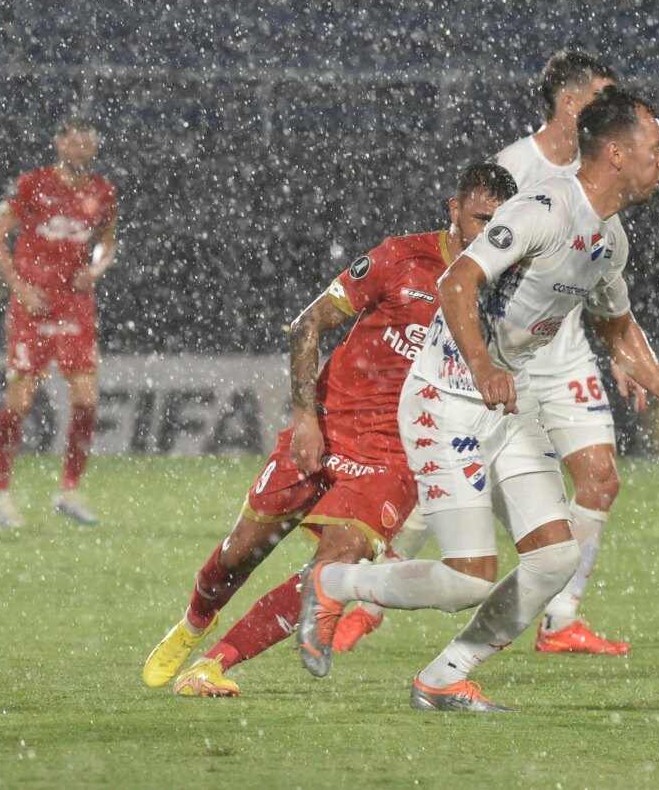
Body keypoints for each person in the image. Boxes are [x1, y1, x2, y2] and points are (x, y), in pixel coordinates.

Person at [297, 87, 659, 711]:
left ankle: (442, 678)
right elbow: (457, 280)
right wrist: (480, 362)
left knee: (555, 558)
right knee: (468, 578)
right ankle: (335, 584)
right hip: (444, 402)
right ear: (615, 153)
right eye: (655, 147)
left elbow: (617, 329)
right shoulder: (543, 210)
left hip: (504, 408)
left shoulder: (611, 240)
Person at [141, 164, 516, 697]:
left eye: (501, 224)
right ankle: (194, 623)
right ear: (453, 210)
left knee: (332, 569)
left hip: (395, 454)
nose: (490, 234)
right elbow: (307, 323)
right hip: (327, 426)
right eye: (481, 218)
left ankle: (213, 665)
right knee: (237, 555)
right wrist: (304, 420)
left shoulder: (504, 287)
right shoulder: (400, 258)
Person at [334, 49, 646, 657]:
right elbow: (465, 270)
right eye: (604, 97)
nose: (615, 111)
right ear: (571, 103)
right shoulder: (514, 169)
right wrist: (468, 356)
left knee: (600, 479)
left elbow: (597, 278)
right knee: (452, 491)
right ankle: (369, 599)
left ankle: (559, 621)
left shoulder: (603, 186)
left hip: (561, 350)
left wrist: (622, 354)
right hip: (497, 358)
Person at [0, 116, 119, 527]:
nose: (80, 150)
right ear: (59, 145)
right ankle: (0, 492)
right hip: (33, 304)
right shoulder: (31, 184)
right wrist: (18, 287)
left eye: (87, 145)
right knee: (21, 400)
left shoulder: (103, 192)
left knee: (86, 399)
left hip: (75, 306)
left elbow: (108, 242)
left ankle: (69, 490)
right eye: (74, 143)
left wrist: (94, 271)